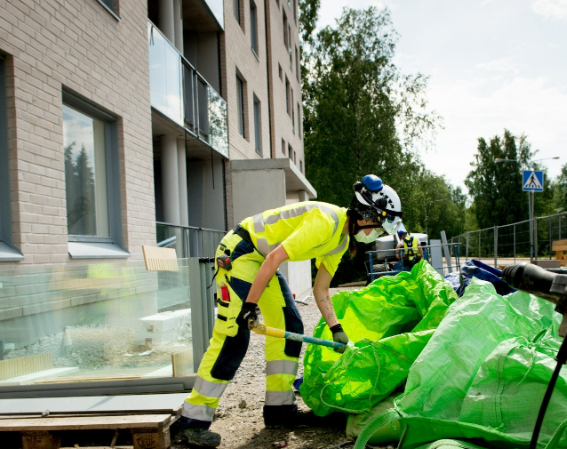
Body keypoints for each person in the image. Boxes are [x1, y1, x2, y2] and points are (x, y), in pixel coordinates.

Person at [172, 175, 403, 448]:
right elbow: (275, 258)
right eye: (379, 226)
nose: (378, 234)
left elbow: (321, 290)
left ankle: (279, 409)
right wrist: (248, 307)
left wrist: (336, 328)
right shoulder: (326, 222)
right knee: (233, 335)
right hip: (241, 253)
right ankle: (192, 420)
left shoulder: (340, 241)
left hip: (260, 259)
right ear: (365, 214)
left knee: (291, 327)